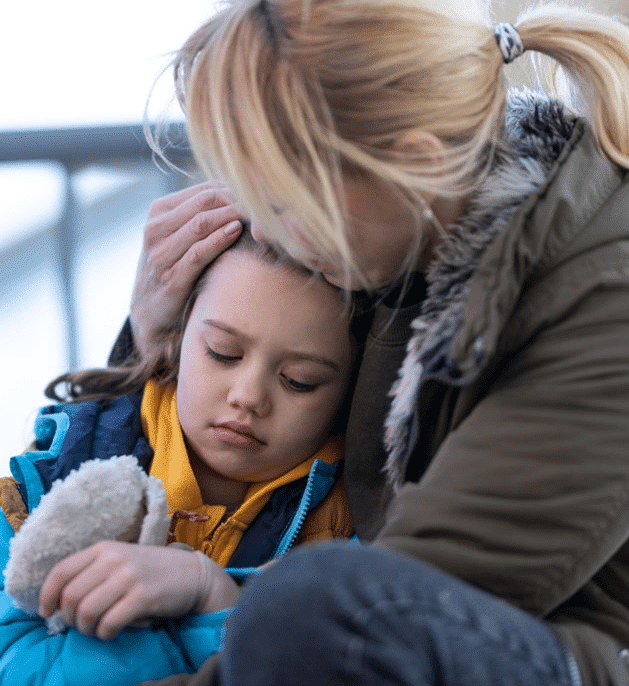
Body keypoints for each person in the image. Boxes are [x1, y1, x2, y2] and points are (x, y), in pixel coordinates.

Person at [116, 0, 629, 685]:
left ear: (409, 166)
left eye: (280, 200)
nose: (263, 233)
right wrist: (151, 339)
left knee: (308, 605)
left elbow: (391, 600)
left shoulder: (605, 299)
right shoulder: (404, 240)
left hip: (568, 655)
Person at [0, 230, 355, 686]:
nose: (247, 397)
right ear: (175, 339)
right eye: (223, 353)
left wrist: (211, 593)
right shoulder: (52, 478)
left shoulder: (356, 529)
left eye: (299, 381)